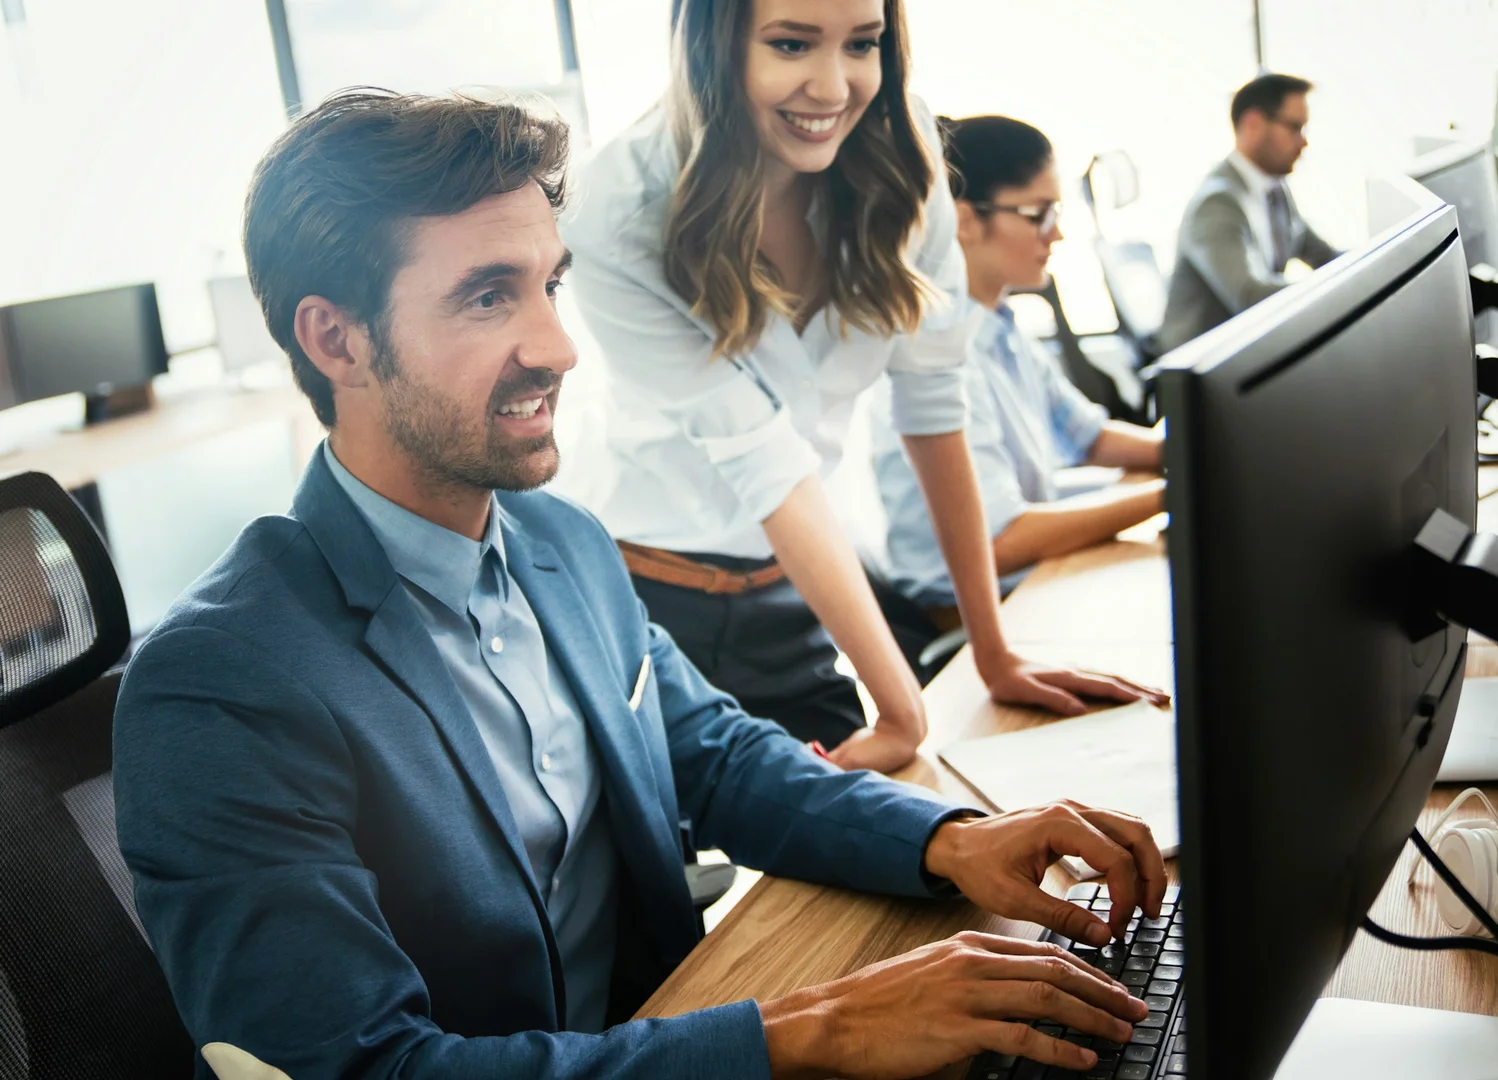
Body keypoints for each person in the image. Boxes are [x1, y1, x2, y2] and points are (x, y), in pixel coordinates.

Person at [112, 88, 1169, 1080]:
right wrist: (815, 1029)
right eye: (487, 297)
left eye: (548, 284)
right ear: (334, 338)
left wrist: (948, 841)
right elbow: (371, 1068)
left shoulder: (560, 543)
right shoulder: (221, 686)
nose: (559, 347)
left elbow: (712, 756)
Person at [556, 0, 1164, 773]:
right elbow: (764, 459)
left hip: (794, 584)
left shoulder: (901, 153)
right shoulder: (619, 206)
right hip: (641, 595)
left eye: (862, 44)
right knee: (669, 869)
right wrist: (902, 706)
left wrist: (993, 653)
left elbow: (933, 403)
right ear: (711, 45)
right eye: (790, 43)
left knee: (891, 816)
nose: (834, 86)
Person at [871, 115, 1167, 615]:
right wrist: (1170, 494)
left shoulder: (1001, 326)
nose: (1057, 236)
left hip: (1026, 581)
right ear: (964, 220)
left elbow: (1087, 437)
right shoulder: (938, 354)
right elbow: (1001, 541)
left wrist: (1192, 447)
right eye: (1039, 213)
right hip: (973, 612)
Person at [1155, 73, 1341, 354]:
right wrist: (1335, 294)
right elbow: (1250, 295)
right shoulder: (1217, 203)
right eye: (1294, 128)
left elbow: (1323, 255)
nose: (1303, 143)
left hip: (1248, 354)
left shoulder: (1275, 191)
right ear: (1253, 123)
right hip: (1206, 371)